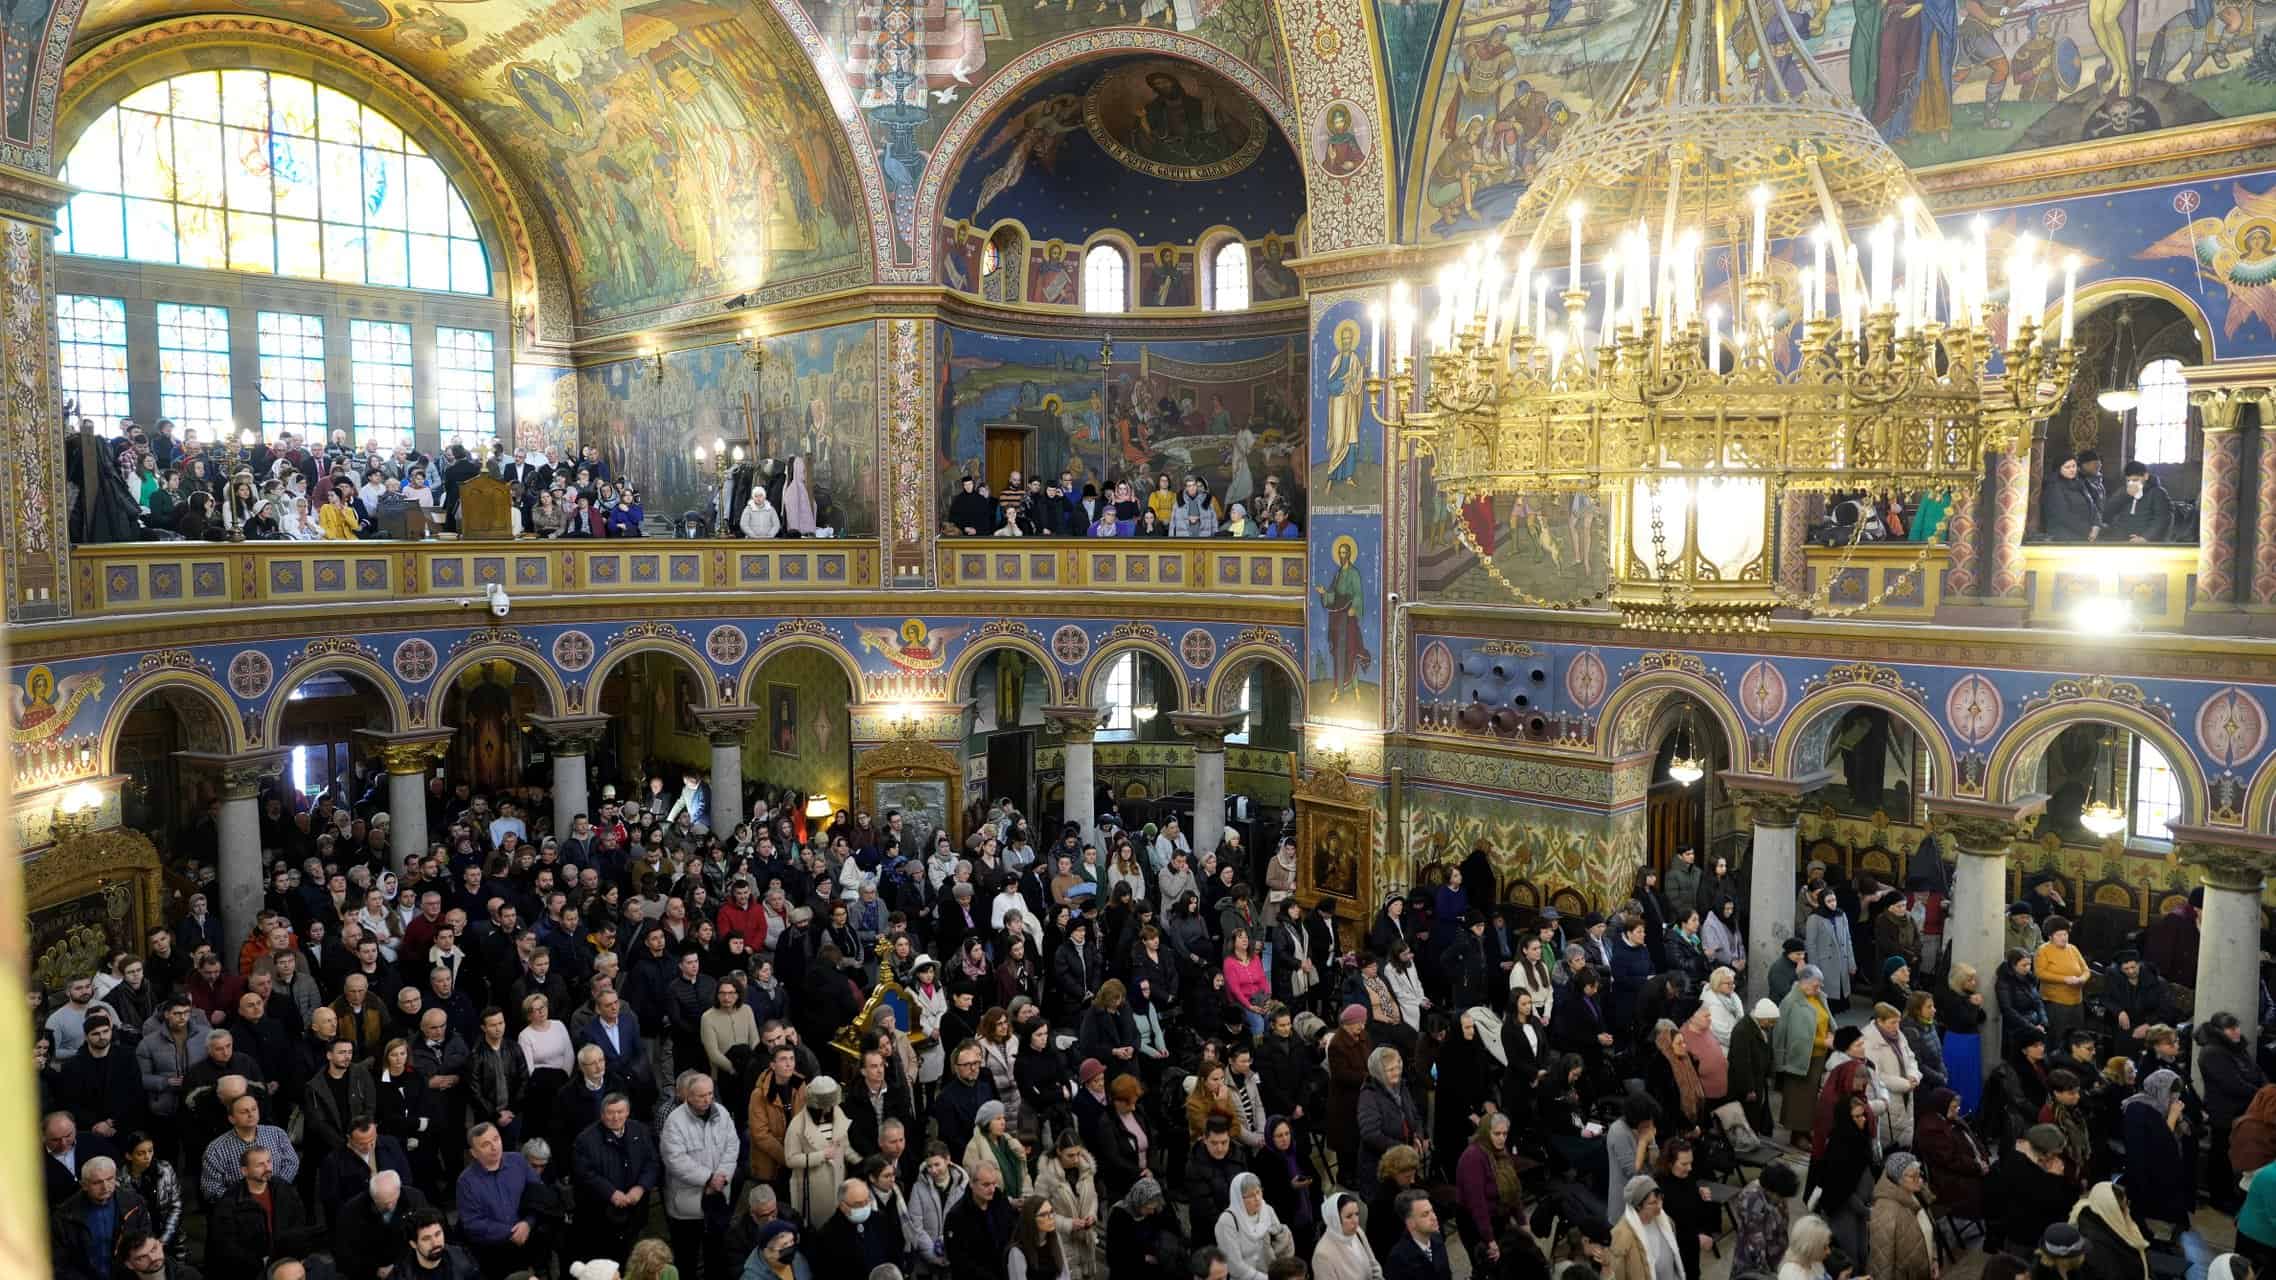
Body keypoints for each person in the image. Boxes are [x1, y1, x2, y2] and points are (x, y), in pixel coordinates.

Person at [662, 1070, 741, 1279]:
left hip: (717, 1196)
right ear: (688, 1096)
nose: (707, 1099)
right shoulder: (674, 1122)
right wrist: (708, 1178)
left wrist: (722, 1177)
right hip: (688, 1206)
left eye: (710, 1094)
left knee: (716, 1253)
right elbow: (674, 1160)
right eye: (701, 1095)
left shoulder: (722, 1113)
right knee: (686, 1258)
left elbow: (732, 1147)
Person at [206, 1146, 318, 1277]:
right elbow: (227, 1245)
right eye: (260, 1165)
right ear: (244, 1171)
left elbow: (298, 1225)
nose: (267, 1168)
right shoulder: (230, 1201)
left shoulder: (284, 1190)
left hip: (285, 1262)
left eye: (269, 1162)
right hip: (249, 1270)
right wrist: (259, 1262)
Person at [52, 1155, 149, 1280]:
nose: (105, 1187)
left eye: (109, 1179)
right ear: (84, 1185)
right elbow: (59, 1263)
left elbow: (146, 1242)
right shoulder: (64, 1215)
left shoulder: (134, 1204)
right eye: (97, 1182)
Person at [1775, 966, 1832, 1147]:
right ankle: (1797, 1134)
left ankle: (1807, 1130)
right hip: (1800, 1058)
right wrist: (1824, 1042)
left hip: (1819, 1056)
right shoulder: (1791, 1002)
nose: (1819, 987)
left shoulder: (1817, 997)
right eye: (1816, 984)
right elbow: (1788, 1034)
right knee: (1799, 1098)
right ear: (1803, 982)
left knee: (1811, 1098)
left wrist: (1831, 1034)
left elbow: (1827, 1019)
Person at [1866, 1153, 1935, 1280]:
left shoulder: (1914, 1193)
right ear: (1897, 1179)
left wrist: (1933, 1260)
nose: (1919, 1179)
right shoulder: (1884, 1211)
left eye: (1919, 1173)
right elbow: (1882, 1265)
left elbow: (1927, 1230)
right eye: (1913, 1176)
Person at [1215, 1172, 1295, 1280]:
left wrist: (1281, 1271)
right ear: (1238, 1198)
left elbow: (1282, 1239)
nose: (1257, 1198)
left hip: (1271, 1273)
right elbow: (1234, 1266)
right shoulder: (1227, 1222)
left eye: (1258, 1192)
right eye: (1251, 1196)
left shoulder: (1267, 1210)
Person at [1731, 1162, 1799, 1277]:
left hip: (1772, 1253)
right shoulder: (1752, 1201)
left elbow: (1781, 1221)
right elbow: (1755, 1243)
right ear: (1769, 1190)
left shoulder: (1776, 1191)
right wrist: (1766, 1274)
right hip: (1754, 1261)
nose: (1783, 1200)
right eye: (1781, 1196)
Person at [1609, 1176, 1680, 1280]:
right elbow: (1619, 1275)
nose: (1660, 1206)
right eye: (1653, 1203)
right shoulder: (1621, 1236)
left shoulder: (1665, 1220)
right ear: (1638, 1205)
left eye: (1661, 1199)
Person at [1313, 1191, 1384, 1280]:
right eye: (1349, 1216)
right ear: (1335, 1219)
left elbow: (1374, 1265)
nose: (1355, 1221)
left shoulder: (1357, 1232)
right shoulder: (1322, 1255)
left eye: (1357, 1214)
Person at [1384, 1189, 1452, 1280]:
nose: (1434, 1217)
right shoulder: (1398, 1259)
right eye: (1425, 1214)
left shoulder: (1437, 1238)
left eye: (1432, 1211)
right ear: (1410, 1223)